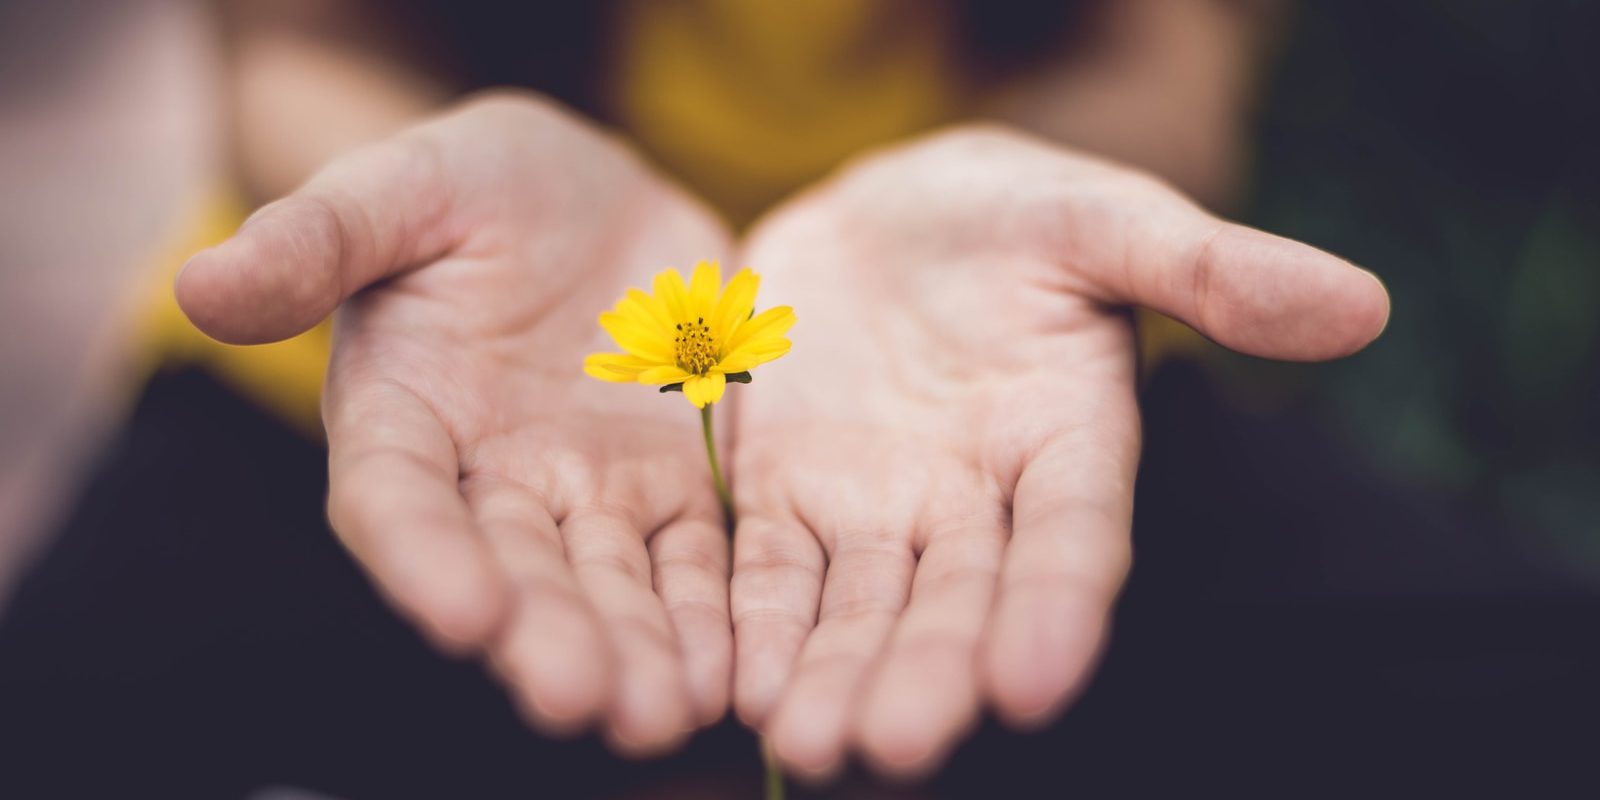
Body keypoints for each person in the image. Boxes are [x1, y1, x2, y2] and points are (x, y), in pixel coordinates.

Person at [2, 1, 1400, 794]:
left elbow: (1167, 64)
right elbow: (290, 43)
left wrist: (1018, 188)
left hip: (982, 382)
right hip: (412, 372)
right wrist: (411, 184)